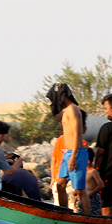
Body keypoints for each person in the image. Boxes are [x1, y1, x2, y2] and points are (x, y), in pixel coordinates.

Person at [47, 83, 90, 214]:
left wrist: (73, 156)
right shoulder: (67, 111)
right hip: (67, 153)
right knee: (60, 185)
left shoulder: (72, 109)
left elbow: (77, 133)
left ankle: (89, 218)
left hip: (76, 153)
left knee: (80, 190)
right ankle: (65, 213)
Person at [85, 151, 105, 215]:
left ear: (88, 161)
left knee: (93, 214)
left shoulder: (93, 171)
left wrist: (90, 194)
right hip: (84, 196)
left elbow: (101, 185)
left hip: (92, 197)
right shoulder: (83, 172)